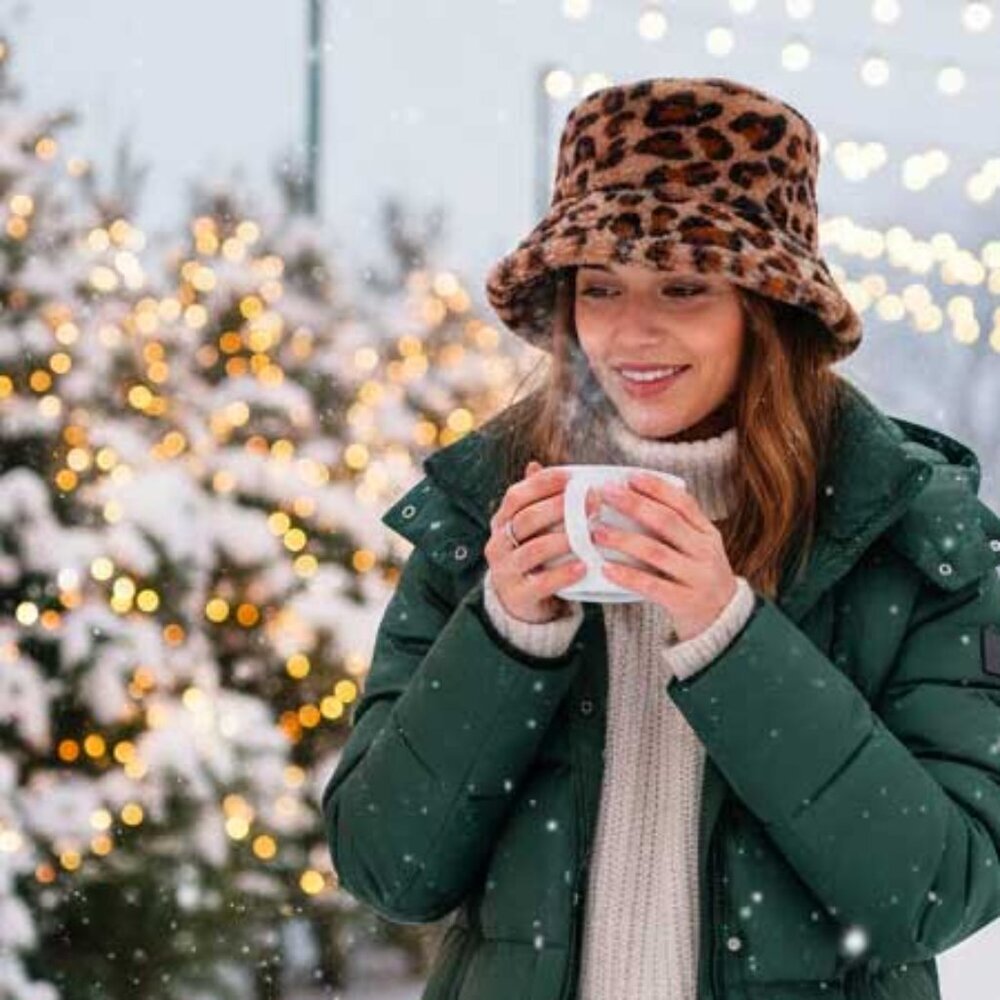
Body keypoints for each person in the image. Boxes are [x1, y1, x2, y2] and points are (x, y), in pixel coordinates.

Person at [322, 76, 1000, 1000]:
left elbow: (934, 891)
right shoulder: (482, 514)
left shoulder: (912, 538)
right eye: (600, 287)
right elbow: (386, 868)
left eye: (683, 286)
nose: (631, 333)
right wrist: (506, 636)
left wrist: (729, 636)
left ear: (768, 310)